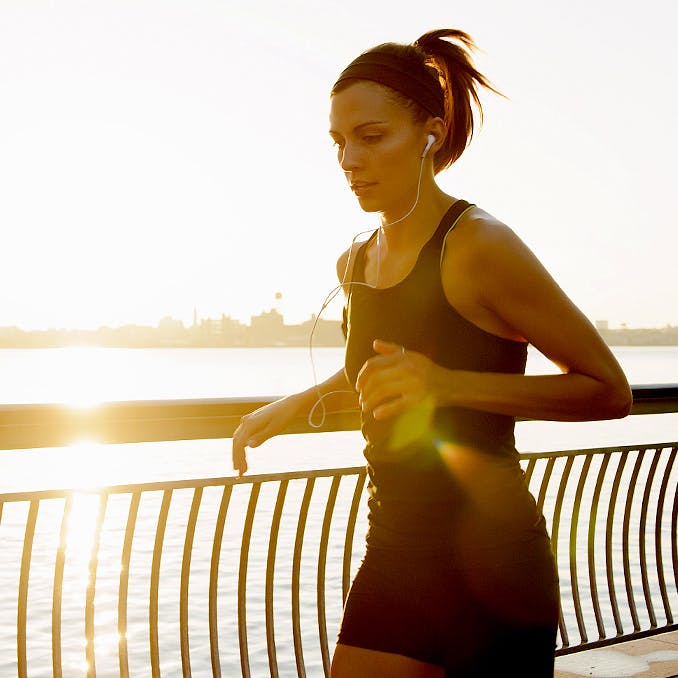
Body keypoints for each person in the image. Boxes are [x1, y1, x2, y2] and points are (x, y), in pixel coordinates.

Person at [232, 28, 632, 677]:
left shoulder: (478, 245)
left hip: (495, 566)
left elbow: (608, 389)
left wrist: (447, 387)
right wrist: (291, 406)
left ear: (431, 132)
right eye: (338, 141)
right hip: (395, 550)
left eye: (370, 135)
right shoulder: (356, 259)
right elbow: (378, 370)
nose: (348, 159)